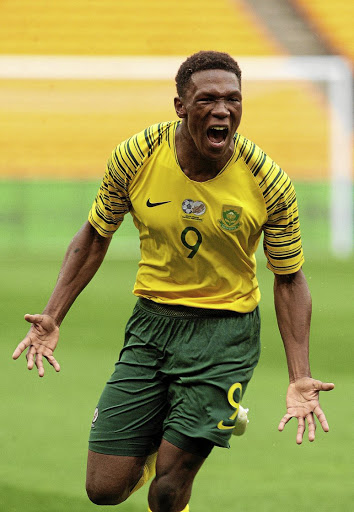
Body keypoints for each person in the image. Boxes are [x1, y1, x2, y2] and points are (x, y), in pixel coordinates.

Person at [12, 51, 334, 512]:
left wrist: (299, 376)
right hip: (152, 327)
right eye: (208, 100)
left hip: (225, 336)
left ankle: (193, 429)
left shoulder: (268, 181)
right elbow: (95, 235)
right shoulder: (135, 156)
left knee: (167, 489)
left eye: (233, 100)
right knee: (103, 489)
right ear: (180, 105)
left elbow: (288, 278)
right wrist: (52, 314)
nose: (223, 110)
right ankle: (170, 434)